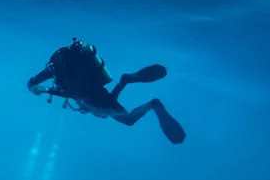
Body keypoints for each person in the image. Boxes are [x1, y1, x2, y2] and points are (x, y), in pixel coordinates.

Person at [27, 39, 185, 144]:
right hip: (95, 94)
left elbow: (71, 92)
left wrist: (44, 88)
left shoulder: (61, 70)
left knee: (126, 119)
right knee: (106, 109)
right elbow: (45, 79)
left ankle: (153, 104)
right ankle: (125, 81)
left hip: (93, 97)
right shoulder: (62, 68)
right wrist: (35, 84)